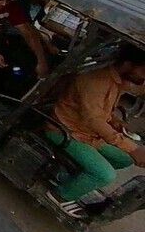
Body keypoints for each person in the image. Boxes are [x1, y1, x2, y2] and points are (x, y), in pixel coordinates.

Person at [46, 46, 145, 217]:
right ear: (128, 64)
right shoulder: (96, 80)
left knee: (125, 159)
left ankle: (67, 177)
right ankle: (59, 194)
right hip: (66, 132)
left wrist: (114, 120)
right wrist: (133, 148)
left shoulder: (115, 81)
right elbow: (94, 120)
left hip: (86, 134)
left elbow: (99, 112)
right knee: (105, 174)